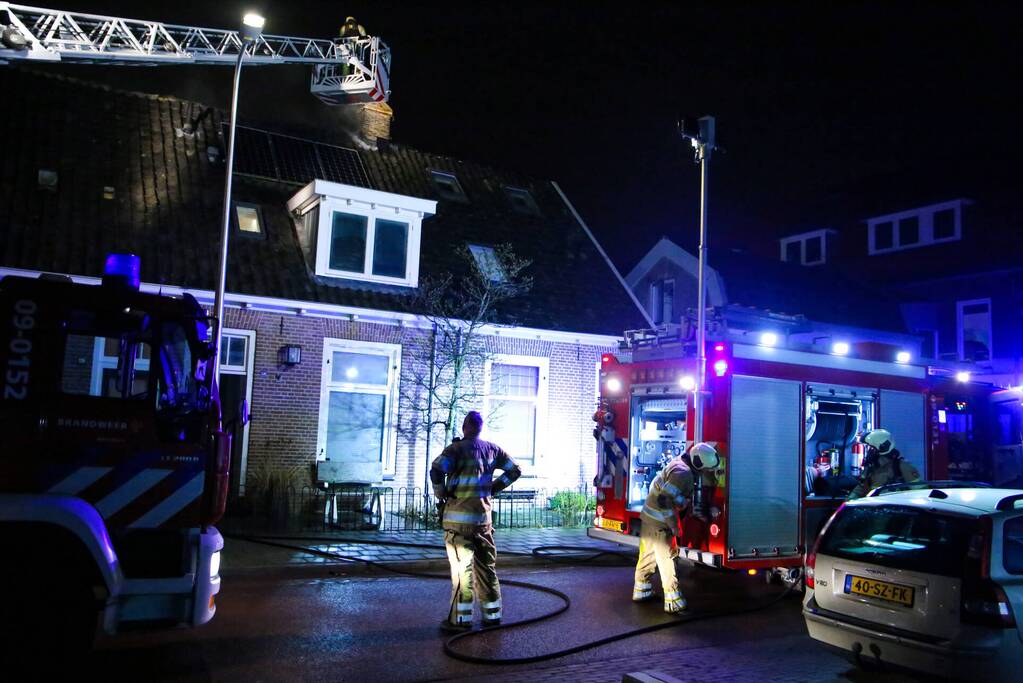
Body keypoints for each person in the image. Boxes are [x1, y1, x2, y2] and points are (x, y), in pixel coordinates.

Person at [430, 411, 521, 631]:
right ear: (480, 428)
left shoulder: (455, 449)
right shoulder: (493, 449)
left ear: (464, 427)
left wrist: (440, 492)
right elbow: (515, 470)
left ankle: (460, 620)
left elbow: (436, 470)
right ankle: (492, 615)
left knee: (463, 572)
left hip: (458, 525)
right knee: (486, 568)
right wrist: (493, 488)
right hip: (483, 522)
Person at [633, 442, 718, 614]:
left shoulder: (680, 463)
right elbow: (664, 500)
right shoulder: (684, 473)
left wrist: (682, 502)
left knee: (647, 556)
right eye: (706, 469)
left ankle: (642, 591)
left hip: (649, 518)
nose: (705, 473)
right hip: (660, 522)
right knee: (667, 558)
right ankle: (673, 601)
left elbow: (669, 493)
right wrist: (674, 526)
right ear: (699, 464)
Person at [848, 429, 921, 499]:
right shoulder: (871, 468)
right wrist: (849, 501)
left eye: (871, 448)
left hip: (895, 509)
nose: (869, 451)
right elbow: (861, 488)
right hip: (874, 508)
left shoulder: (902, 466)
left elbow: (920, 492)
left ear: (882, 447)